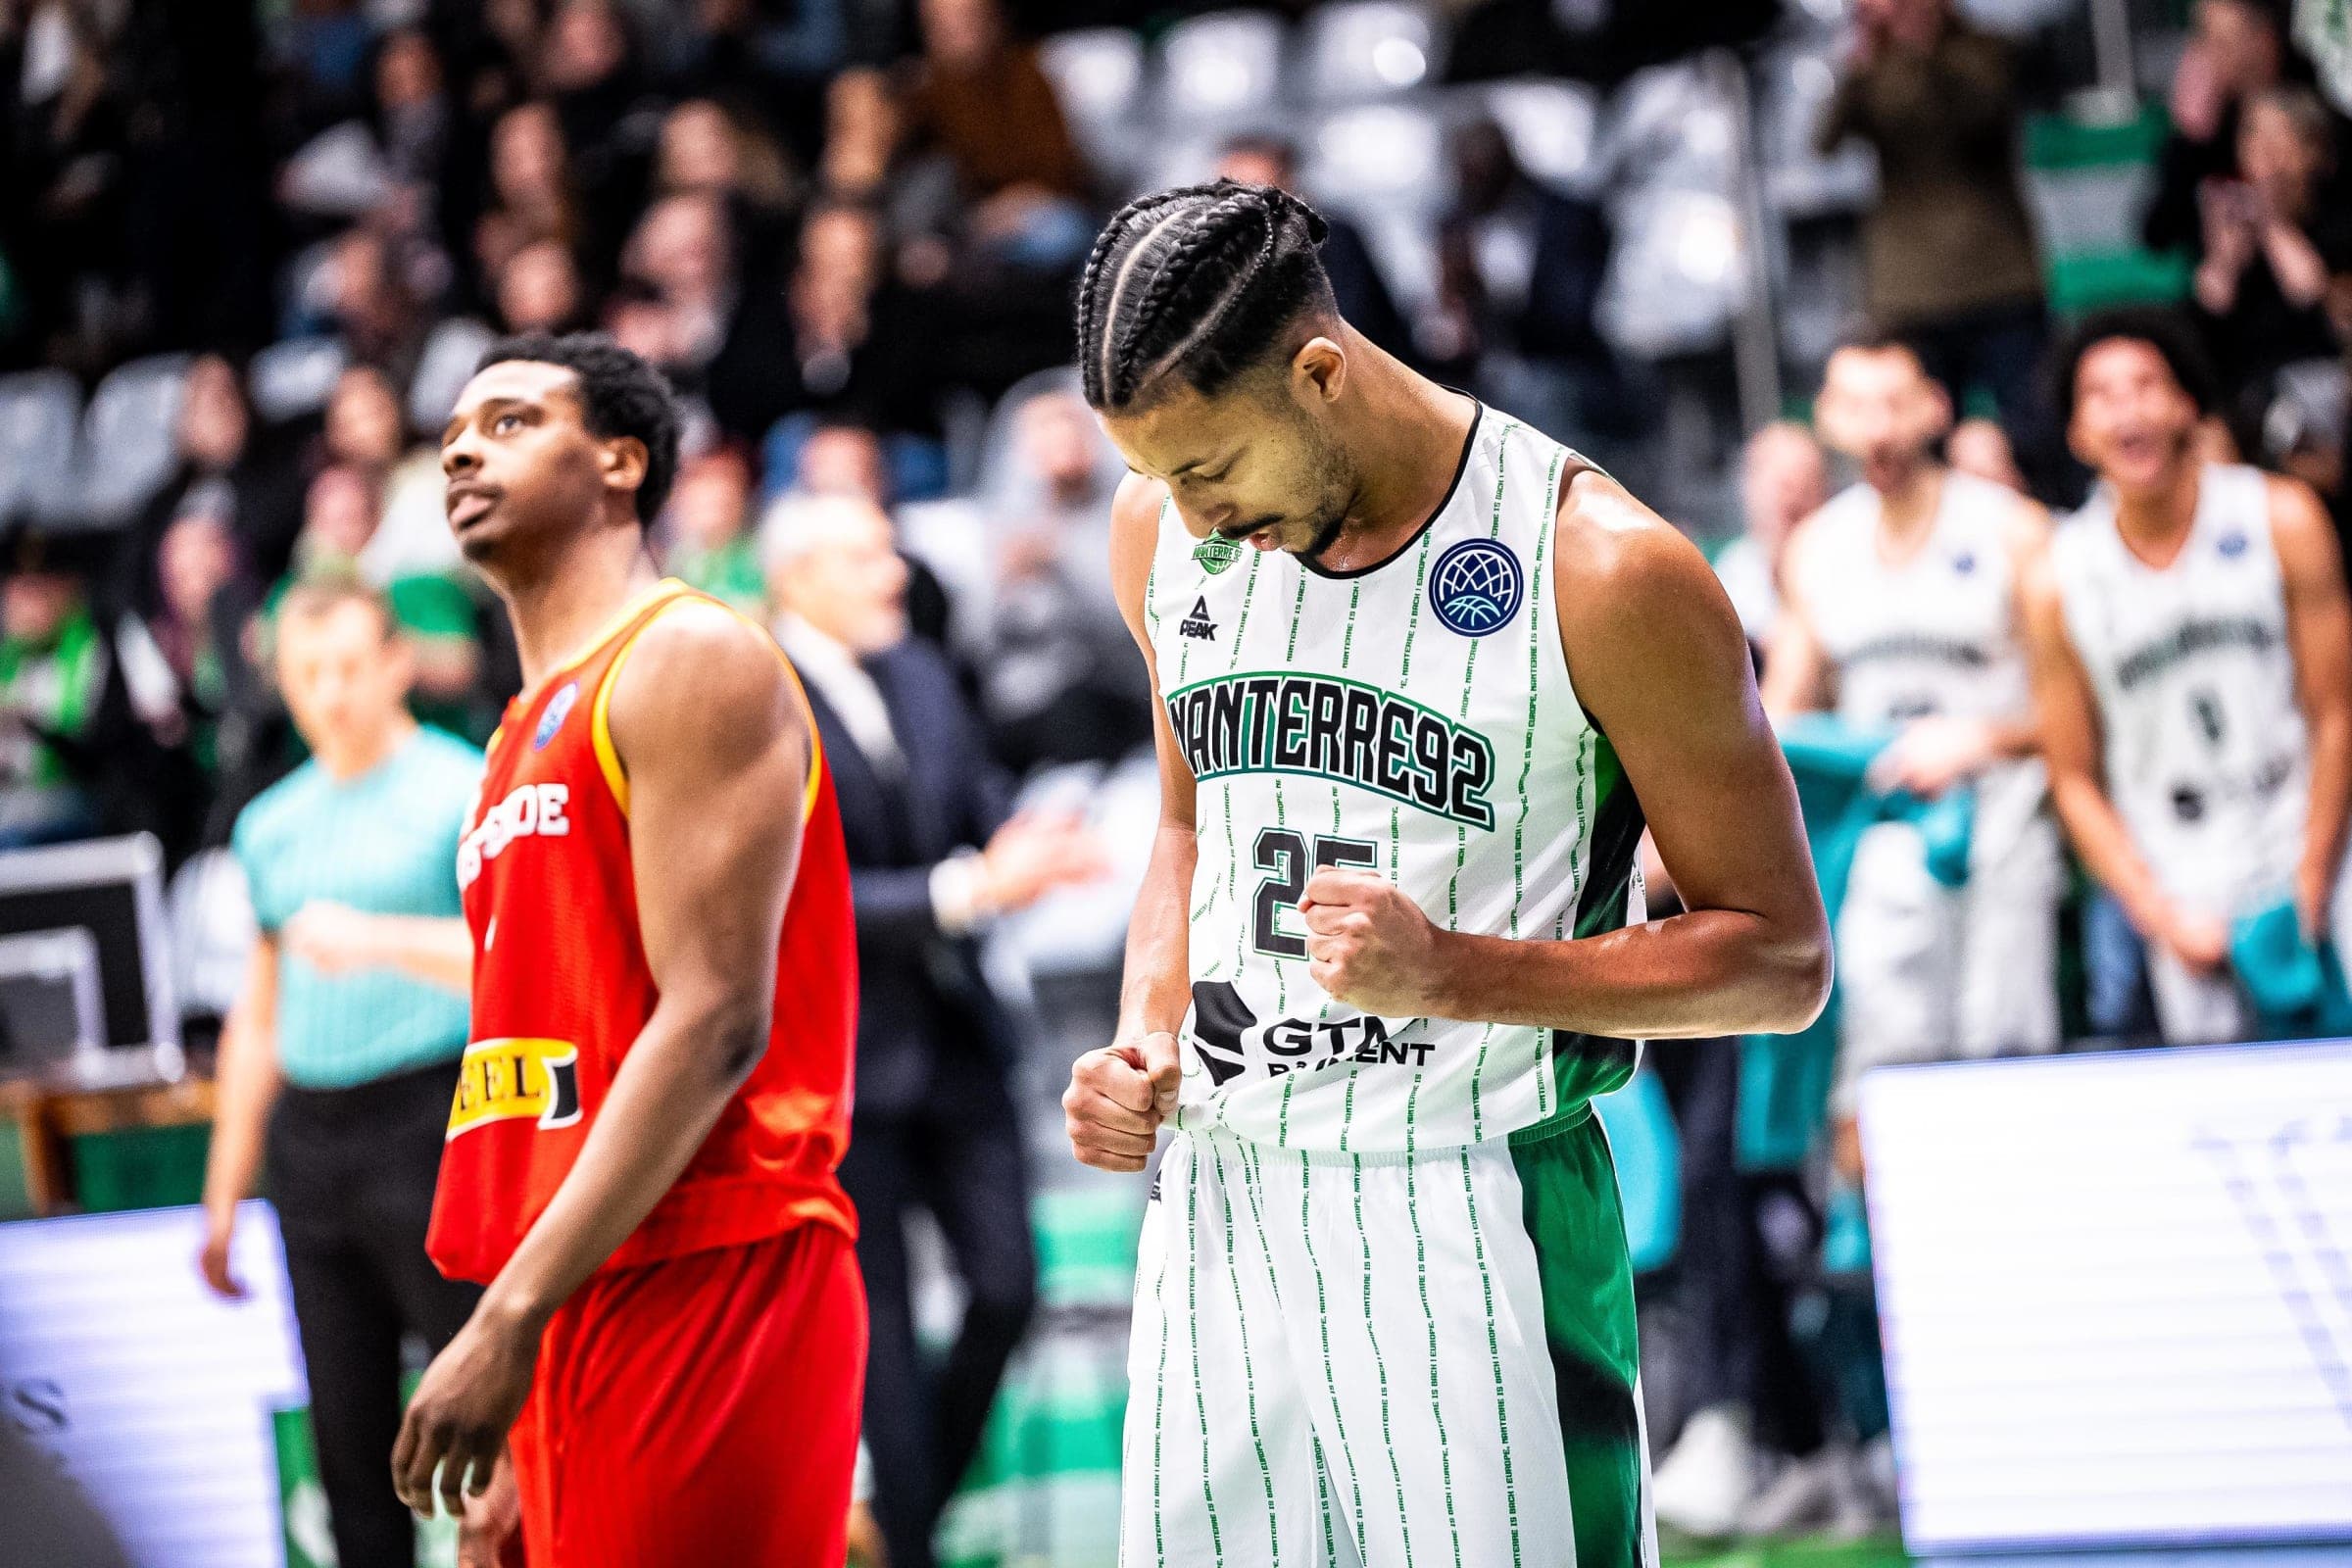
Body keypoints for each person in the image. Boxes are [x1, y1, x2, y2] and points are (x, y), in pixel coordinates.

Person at [1061, 180, 1831, 1565]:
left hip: (1472, 1208)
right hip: (1223, 1195)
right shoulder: (1164, 535)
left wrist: (1458, 973)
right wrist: (1143, 1032)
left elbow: (1777, 960)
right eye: (1156, 479)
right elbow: (1190, 831)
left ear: (1319, 372)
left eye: (1206, 467)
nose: (1191, 516)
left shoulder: (1602, 568)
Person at [396, 331, 864, 1567]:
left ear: (619, 458)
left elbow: (716, 1020)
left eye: (507, 421)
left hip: (716, 1260)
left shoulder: (685, 656)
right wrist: (529, 1361)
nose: (460, 448)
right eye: (451, 432)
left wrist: (506, 1324)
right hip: (577, 1285)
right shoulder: (507, 736)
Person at [765, 491, 1098, 1568]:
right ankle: (905, 1544)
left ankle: (907, 1521)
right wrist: (971, 887)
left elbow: (970, 797)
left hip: (956, 1037)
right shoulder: (758, 698)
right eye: (866, 555)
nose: (894, 571)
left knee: (1009, 1288)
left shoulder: (917, 668)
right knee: (882, 1347)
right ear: (798, 576)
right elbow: (795, 897)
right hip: (837, 1065)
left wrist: (1021, 837)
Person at [197, 575, 486, 1568]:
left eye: (350, 666)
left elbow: (522, 962)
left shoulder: (461, 786)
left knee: (485, 1418)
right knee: (350, 1439)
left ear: (396, 662)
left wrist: (381, 938)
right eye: (308, 671)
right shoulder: (270, 825)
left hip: (436, 1113)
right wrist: (224, 1189)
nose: (332, 691)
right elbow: (259, 1014)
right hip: (312, 1145)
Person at [2026, 309, 2352, 1044]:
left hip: (2307, 839)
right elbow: (2072, 775)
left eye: (2146, 384)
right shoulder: (2056, 577)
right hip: (2181, 871)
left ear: (2185, 405)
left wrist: (2314, 876)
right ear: (2078, 432)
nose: (2127, 407)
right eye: (2101, 394)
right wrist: (2159, 913)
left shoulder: (2282, 517)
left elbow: (2337, 714)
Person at [1761, 338, 2062, 1112]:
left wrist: (1983, 739)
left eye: (1894, 404)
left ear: (1934, 406)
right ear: (1827, 418)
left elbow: (2078, 713)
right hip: (1885, 837)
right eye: (1855, 407)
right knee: (1884, 1078)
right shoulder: (1818, 548)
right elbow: (1778, 717)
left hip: (2003, 829)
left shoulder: (2015, 531)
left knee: (2011, 1066)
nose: (1878, 430)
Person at [1816, 0, 2052, 489]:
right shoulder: (1874, 66)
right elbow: (1825, 140)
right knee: (1921, 445)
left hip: (1997, 275)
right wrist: (1859, 62)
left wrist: (1922, 45)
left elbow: (1982, 115)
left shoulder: (1983, 51)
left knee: (2033, 431)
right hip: (1911, 288)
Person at [1715, 420, 1830, 649]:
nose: (1793, 495)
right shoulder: (1734, 569)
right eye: (1781, 482)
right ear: (1749, 487)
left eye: (1806, 480)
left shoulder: (1843, 562)